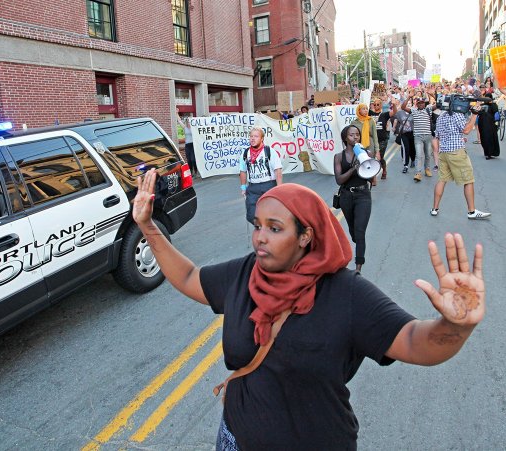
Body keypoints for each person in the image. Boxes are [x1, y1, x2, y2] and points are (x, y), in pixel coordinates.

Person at [132, 170, 486, 450]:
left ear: (305, 236)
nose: (259, 237)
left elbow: (412, 342)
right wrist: (148, 226)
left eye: (274, 228)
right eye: (257, 226)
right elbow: (190, 276)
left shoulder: (346, 293)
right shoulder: (245, 273)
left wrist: (456, 326)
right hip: (235, 438)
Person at [430, 105, 491, 220]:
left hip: (444, 152)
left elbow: (439, 135)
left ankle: (435, 208)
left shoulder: (440, 116)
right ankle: (471, 211)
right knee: (468, 180)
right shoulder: (457, 115)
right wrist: (474, 114)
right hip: (457, 152)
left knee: (442, 180)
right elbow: (467, 130)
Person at [334, 125, 374, 274]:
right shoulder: (339, 157)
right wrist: (353, 169)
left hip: (363, 195)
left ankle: (358, 267)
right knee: (353, 230)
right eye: (352, 135)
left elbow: (371, 177)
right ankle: (357, 240)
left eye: (357, 134)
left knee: (360, 231)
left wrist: (367, 162)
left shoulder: (366, 153)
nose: (355, 137)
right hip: (346, 196)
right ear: (345, 138)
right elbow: (339, 180)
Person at [239, 127, 282, 225]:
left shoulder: (269, 151)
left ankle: (270, 232)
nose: (252, 138)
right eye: (251, 136)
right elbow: (243, 171)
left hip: (269, 185)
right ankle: (264, 227)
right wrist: (243, 187)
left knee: (273, 213)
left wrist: (279, 188)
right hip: (253, 187)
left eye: (256, 136)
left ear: (262, 138)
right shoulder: (245, 153)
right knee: (251, 216)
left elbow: (278, 169)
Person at [402, 92, 435, 182]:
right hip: (418, 136)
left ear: (424, 104)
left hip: (428, 135)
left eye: (422, 103)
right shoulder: (413, 111)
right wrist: (409, 97)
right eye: (419, 103)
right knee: (419, 155)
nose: (421, 104)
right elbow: (403, 107)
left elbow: (439, 105)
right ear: (417, 104)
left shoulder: (429, 110)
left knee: (428, 154)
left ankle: (427, 169)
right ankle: (418, 173)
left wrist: (432, 95)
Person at [350, 103, 380, 186]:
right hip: (359, 145)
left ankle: (373, 177)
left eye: (367, 108)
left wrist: (377, 150)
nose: (366, 110)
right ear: (359, 110)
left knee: (371, 161)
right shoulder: (354, 122)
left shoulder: (371, 121)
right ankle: (363, 179)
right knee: (360, 161)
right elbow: (352, 135)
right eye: (363, 109)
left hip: (370, 145)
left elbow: (375, 136)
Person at [369, 98, 392, 179]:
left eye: (378, 104)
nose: (376, 106)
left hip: (382, 139)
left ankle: (384, 170)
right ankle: (373, 176)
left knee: (380, 157)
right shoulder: (370, 113)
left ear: (381, 105)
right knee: (372, 157)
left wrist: (395, 105)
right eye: (374, 104)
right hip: (372, 140)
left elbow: (394, 112)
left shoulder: (384, 115)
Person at [477, 94, 500, 160]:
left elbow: (496, 113)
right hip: (482, 124)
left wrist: (497, 123)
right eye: (486, 98)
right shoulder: (481, 105)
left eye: (488, 98)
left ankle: (490, 153)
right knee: (484, 138)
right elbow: (477, 112)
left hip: (491, 124)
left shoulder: (494, 105)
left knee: (490, 138)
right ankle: (487, 152)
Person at [177, 111, 199, 177]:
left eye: (189, 121)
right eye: (187, 121)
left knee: (193, 159)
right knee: (189, 160)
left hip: (193, 145)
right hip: (187, 145)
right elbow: (179, 120)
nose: (188, 123)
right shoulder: (185, 127)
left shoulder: (194, 128)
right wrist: (176, 113)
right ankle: (191, 172)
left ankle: (196, 171)